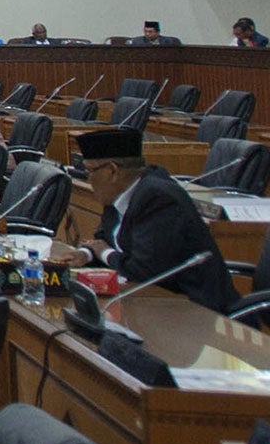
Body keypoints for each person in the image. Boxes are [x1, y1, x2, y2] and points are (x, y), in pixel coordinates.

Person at [70, 128, 235, 314]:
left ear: (112, 171)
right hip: (152, 302)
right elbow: (102, 238)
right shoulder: (119, 193)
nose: (88, 178)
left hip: (196, 309)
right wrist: (87, 254)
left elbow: (142, 271)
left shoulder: (159, 198)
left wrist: (104, 253)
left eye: (89, 171)